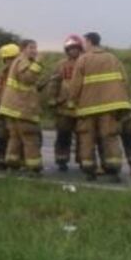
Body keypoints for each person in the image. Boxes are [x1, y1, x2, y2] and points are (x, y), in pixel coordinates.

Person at [70, 32, 131, 182]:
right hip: (110, 107)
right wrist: (127, 100)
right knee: (110, 138)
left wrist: (72, 102)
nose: (84, 45)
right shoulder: (112, 58)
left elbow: (75, 85)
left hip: (88, 108)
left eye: (85, 42)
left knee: (87, 138)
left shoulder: (83, 59)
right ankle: (113, 171)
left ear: (89, 42)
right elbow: (125, 80)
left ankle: (89, 171)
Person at [0, 39, 46, 174]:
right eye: (31, 48)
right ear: (23, 49)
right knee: (30, 137)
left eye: (35, 48)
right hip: (22, 109)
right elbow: (28, 78)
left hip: (12, 109)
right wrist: (38, 64)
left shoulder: (18, 61)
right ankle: (34, 168)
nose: (35, 51)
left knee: (15, 138)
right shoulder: (23, 61)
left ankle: (12, 165)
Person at [48, 35, 83, 172]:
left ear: (80, 49)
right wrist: (52, 98)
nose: (73, 51)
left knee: (84, 137)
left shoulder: (86, 62)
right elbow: (54, 83)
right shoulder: (61, 65)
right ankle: (62, 160)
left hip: (82, 107)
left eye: (75, 48)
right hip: (63, 107)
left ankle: (84, 160)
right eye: (70, 49)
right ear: (66, 50)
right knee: (63, 135)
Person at [0, 43, 21, 170]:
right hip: (3, 110)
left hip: (16, 112)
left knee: (17, 137)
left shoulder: (21, 74)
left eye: (10, 59)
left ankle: (16, 162)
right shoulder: (2, 74)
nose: (8, 62)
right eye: (6, 59)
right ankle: (2, 160)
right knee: (1, 137)